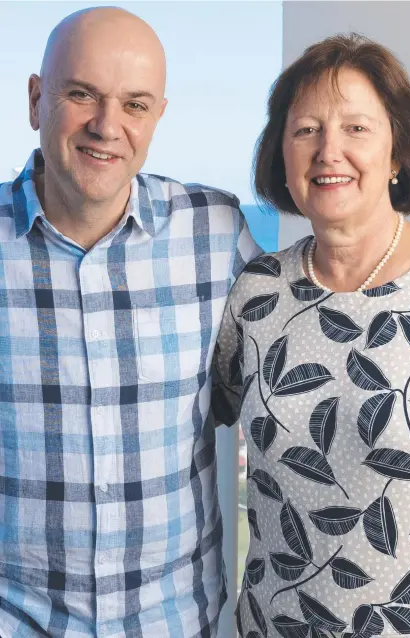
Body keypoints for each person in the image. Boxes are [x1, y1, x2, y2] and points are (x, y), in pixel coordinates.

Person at [213, 33, 410, 637]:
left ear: (398, 153)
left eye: (356, 128)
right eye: (306, 130)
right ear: (281, 152)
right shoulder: (257, 292)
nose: (329, 151)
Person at [0, 7, 260, 637]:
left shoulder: (217, 233)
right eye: (82, 93)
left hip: (176, 623)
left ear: (158, 118)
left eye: (134, 104)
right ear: (37, 99)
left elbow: (271, 392)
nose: (106, 126)